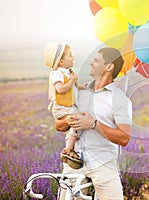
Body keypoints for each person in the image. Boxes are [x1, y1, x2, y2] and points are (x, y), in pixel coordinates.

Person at [55, 47, 132, 199]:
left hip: (103, 165)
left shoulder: (119, 99)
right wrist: (68, 120)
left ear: (109, 67)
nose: (91, 62)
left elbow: (124, 138)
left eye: (96, 60)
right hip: (73, 165)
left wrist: (93, 124)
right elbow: (58, 125)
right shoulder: (78, 92)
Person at [44, 42, 84, 169]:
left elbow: (75, 89)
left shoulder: (66, 72)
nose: (73, 57)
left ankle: (69, 149)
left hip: (69, 106)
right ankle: (68, 150)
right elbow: (60, 89)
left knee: (76, 125)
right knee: (76, 123)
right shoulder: (56, 73)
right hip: (62, 107)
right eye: (70, 55)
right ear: (61, 62)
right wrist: (72, 81)